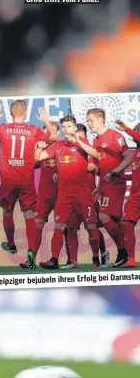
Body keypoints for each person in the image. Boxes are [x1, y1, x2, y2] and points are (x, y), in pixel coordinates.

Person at [0, 100, 57, 269]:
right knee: (29, 216)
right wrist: (45, 120)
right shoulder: (33, 130)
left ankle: (12, 244)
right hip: (26, 181)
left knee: (7, 212)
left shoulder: (2, 128)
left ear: (10, 114)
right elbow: (54, 136)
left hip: (8, 181)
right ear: (27, 114)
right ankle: (30, 253)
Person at [38, 116, 101, 270]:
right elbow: (38, 157)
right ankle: (54, 260)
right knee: (59, 226)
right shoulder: (57, 145)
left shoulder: (83, 143)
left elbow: (96, 154)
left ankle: (95, 257)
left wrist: (78, 140)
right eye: (63, 127)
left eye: (68, 127)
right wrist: (39, 147)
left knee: (91, 226)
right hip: (64, 196)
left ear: (74, 128)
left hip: (83, 195)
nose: (65, 129)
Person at [87, 108, 131, 266]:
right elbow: (102, 165)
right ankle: (127, 250)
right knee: (117, 221)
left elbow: (129, 157)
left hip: (116, 183)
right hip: (105, 185)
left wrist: (115, 171)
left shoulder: (115, 136)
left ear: (101, 120)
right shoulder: (96, 141)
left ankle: (122, 251)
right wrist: (99, 186)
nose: (88, 123)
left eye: (91, 120)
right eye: (88, 120)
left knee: (104, 216)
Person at [60, 124, 108, 269]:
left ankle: (100, 255)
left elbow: (104, 170)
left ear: (85, 136)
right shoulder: (68, 150)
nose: (77, 139)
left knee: (92, 227)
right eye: (75, 136)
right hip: (72, 196)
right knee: (71, 228)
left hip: (89, 195)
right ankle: (72, 261)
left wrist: (96, 168)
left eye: (80, 136)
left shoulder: (92, 151)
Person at [107, 120, 140, 268]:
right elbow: (134, 175)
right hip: (134, 197)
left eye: (137, 131)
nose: (135, 134)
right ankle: (131, 259)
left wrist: (126, 129)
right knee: (127, 225)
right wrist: (119, 176)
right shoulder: (135, 154)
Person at [33, 122, 60, 257]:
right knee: (37, 224)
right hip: (44, 194)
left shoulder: (62, 146)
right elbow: (31, 164)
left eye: (52, 131)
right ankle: (30, 259)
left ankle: (70, 260)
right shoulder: (40, 149)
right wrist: (38, 147)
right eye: (47, 131)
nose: (49, 134)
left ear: (57, 133)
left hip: (61, 194)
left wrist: (60, 174)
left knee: (64, 227)